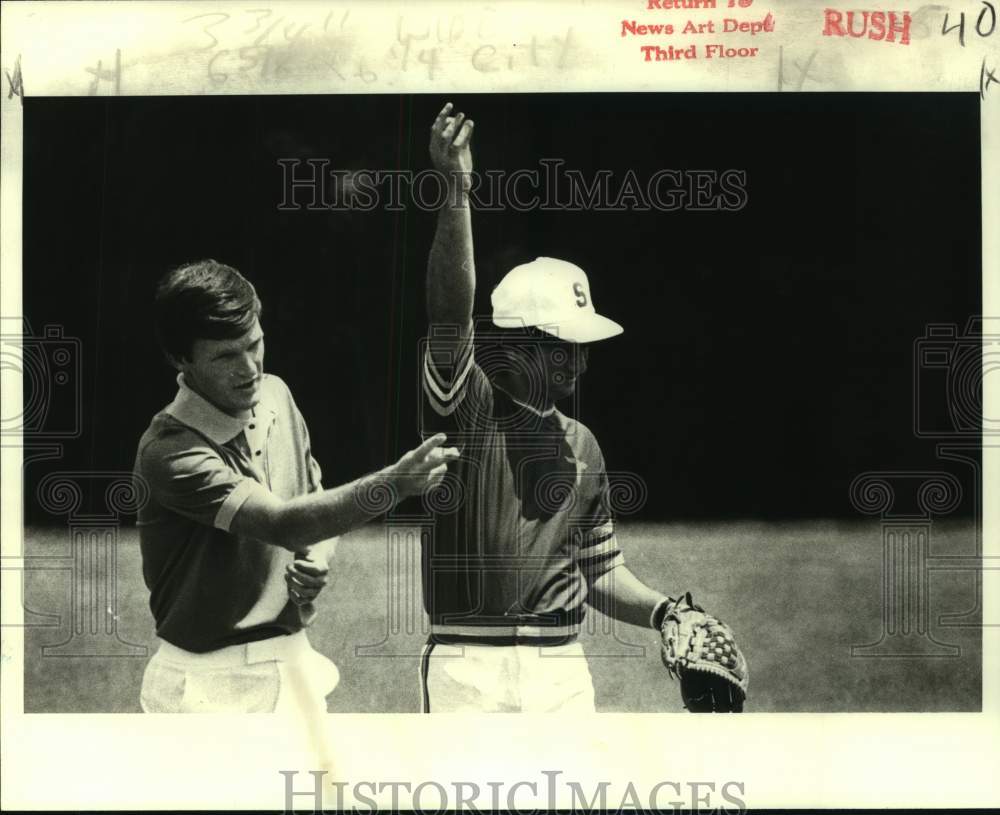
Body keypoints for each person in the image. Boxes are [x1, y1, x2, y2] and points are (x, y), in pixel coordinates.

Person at [418, 103, 679, 713]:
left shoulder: (582, 444)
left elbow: (600, 572)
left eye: (581, 347)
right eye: (560, 346)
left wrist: (665, 611)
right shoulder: (463, 406)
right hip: (468, 667)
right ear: (513, 340)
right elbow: (449, 312)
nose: (577, 361)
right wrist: (456, 187)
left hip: (563, 668)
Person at [135, 260, 456, 714]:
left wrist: (318, 556)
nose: (249, 368)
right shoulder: (170, 450)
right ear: (180, 359)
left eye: (255, 344)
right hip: (206, 683)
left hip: (292, 662)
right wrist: (395, 484)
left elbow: (312, 499)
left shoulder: (275, 394)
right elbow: (284, 523)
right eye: (226, 356)